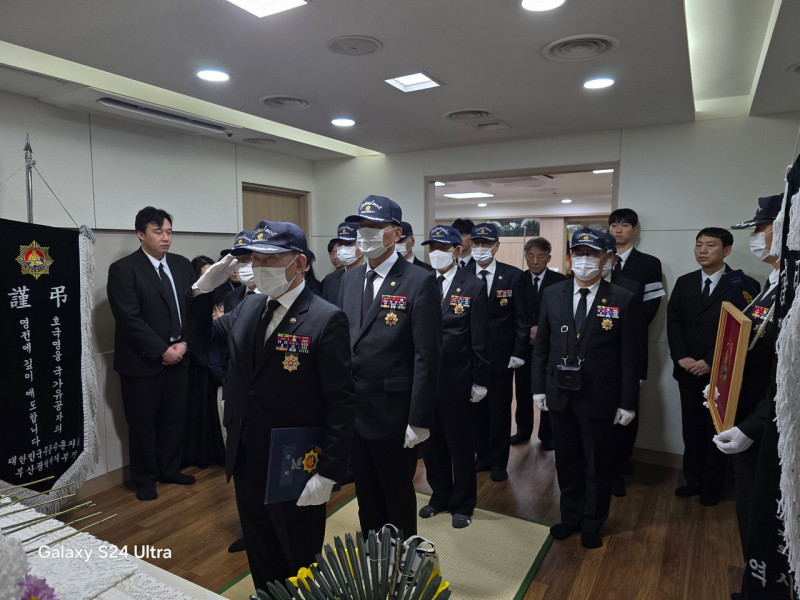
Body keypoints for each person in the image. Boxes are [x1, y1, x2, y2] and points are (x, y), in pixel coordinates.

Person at [189, 221, 355, 592]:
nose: (260, 266)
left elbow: (341, 401)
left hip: (294, 459)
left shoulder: (326, 318)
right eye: (256, 259)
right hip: (247, 452)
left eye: (272, 258)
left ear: (300, 263)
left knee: (298, 556)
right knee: (261, 551)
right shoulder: (249, 306)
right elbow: (201, 341)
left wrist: (330, 472)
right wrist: (202, 292)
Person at [338, 195, 441, 537]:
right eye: (361, 227)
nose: (365, 233)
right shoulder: (350, 279)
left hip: (394, 412)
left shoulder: (419, 280)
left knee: (396, 494)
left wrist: (419, 419)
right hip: (355, 410)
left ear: (396, 233)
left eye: (375, 226)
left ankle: (402, 558)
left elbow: (427, 355)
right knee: (366, 495)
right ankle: (374, 555)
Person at [531, 227, 638, 549]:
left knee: (596, 464)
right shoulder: (553, 293)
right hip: (559, 394)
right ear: (569, 257)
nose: (584, 259)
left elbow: (630, 356)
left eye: (592, 254)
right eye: (578, 253)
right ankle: (570, 516)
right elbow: (541, 346)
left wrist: (627, 402)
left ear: (606, 259)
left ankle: (593, 521)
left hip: (600, 395)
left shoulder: (622, 298)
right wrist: (538, 388)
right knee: (566, 461)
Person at [107, 206, 196, 501]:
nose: (165, 238)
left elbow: (193, 310)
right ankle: (144, 479)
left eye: (169, 232)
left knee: (173, 420)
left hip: (180, 355)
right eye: (158, 232)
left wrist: (184, 343)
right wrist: (161, 350)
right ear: (140, 234)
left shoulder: (182, 265)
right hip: (141, 362)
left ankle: (170, 469)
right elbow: (129, 318)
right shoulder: (123, 269)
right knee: (143, 424)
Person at [667, 227, 759, 505]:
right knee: (691, 428)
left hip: (722, 372)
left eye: (710, 245)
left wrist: (710, 361)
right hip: (687, 370)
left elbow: (747, 330)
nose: (703, 251)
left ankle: (712, 487)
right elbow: (674, 322)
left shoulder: (743, 284)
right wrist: (681, 356)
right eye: (699, 245)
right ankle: (692, 480)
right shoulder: (684, 282)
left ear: (726, 250)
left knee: (716, 430)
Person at [716, 195, 783, 563]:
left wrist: (752, 426)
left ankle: (762, 583)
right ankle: (753, 580)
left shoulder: (792, 292)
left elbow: (787, 379)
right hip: (746, 418)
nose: (756, 237)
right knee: (750, 511)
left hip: (767, 428)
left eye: (762, 229)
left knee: (766, 519)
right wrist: (720, 383)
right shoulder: (770, 287)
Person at [417, 225, 490, 528]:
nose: (436, 253)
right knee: (431, 445)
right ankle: (440, 496)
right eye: (432, 248)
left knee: (460, 446)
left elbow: (480, 338)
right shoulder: (421, 282)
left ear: (457, 251)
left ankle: (463, 502)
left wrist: (480, 380)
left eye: (442, 248)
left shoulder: (473, 286)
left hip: (457, 380)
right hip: (424, 381)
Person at [608, 208, 664, 491]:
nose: (618, 230)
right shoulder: (600, 259)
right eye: (614, 225)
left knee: (627, 407)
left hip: (632, 346)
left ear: (635, 229)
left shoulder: (649, 264)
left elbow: (651, 306)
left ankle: (619, 465)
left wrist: (622, 329)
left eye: (624, 225)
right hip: (600, 348)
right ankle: (604, 465)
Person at [469, 222, 525, 482]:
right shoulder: (462, 274)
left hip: (501, 356)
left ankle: (498, 461)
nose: (480, 247)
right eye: (476, 243)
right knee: (475, 411)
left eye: (486, 243)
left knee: (499, 411)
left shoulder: (513, 276)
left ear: (496, 246)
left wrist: (519, 350)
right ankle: (481, 456)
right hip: (470, 357)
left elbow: (521, 318)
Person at [511, 237, 567, 449]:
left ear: (548, 258)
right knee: (523, 389)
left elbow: (561, 313)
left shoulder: (560, 281)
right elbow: (515, 311)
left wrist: (541, 330)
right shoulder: (518, 279)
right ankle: (523, 430)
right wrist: (528, 329)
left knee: (548, 388)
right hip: (523, 344)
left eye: (540, 256)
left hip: (549, 344)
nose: (535, 261)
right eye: (530, 256)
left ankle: (547, 434)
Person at [321, 222, 363, 305]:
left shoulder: (371, 277)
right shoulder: (330, 280)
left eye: (349, 243)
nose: (343, 249)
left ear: (362, 244)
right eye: (340, 244)